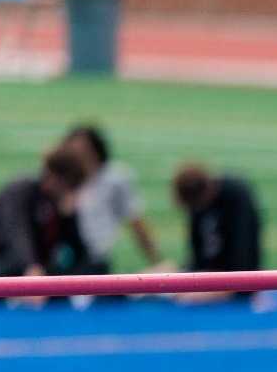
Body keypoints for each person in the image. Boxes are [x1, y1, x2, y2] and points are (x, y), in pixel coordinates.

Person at [0, 148, 91, 299]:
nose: (73, 190)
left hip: (39, 267)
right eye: (71, 184)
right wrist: (31, 267)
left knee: (95, 266)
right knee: (10, 266)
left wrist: (68, 215)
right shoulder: (20, 190)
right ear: (55, 176)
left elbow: (79, 249)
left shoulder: (59, 202)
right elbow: (17, 233)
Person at [62, 124, 163, 272]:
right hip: (64, 257)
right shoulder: (64, 180)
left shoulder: (114, 179)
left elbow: (136, 220)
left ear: (94, 152)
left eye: (80, 152)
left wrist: (155, 260)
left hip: (94, 259)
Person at [169, 162, 264, 303]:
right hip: (209, 273)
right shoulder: (198, 206)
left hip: (235, 280)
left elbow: (244, 263)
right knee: (163, 273)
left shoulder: (236, 195)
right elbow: (197, 254)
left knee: (186, 297)